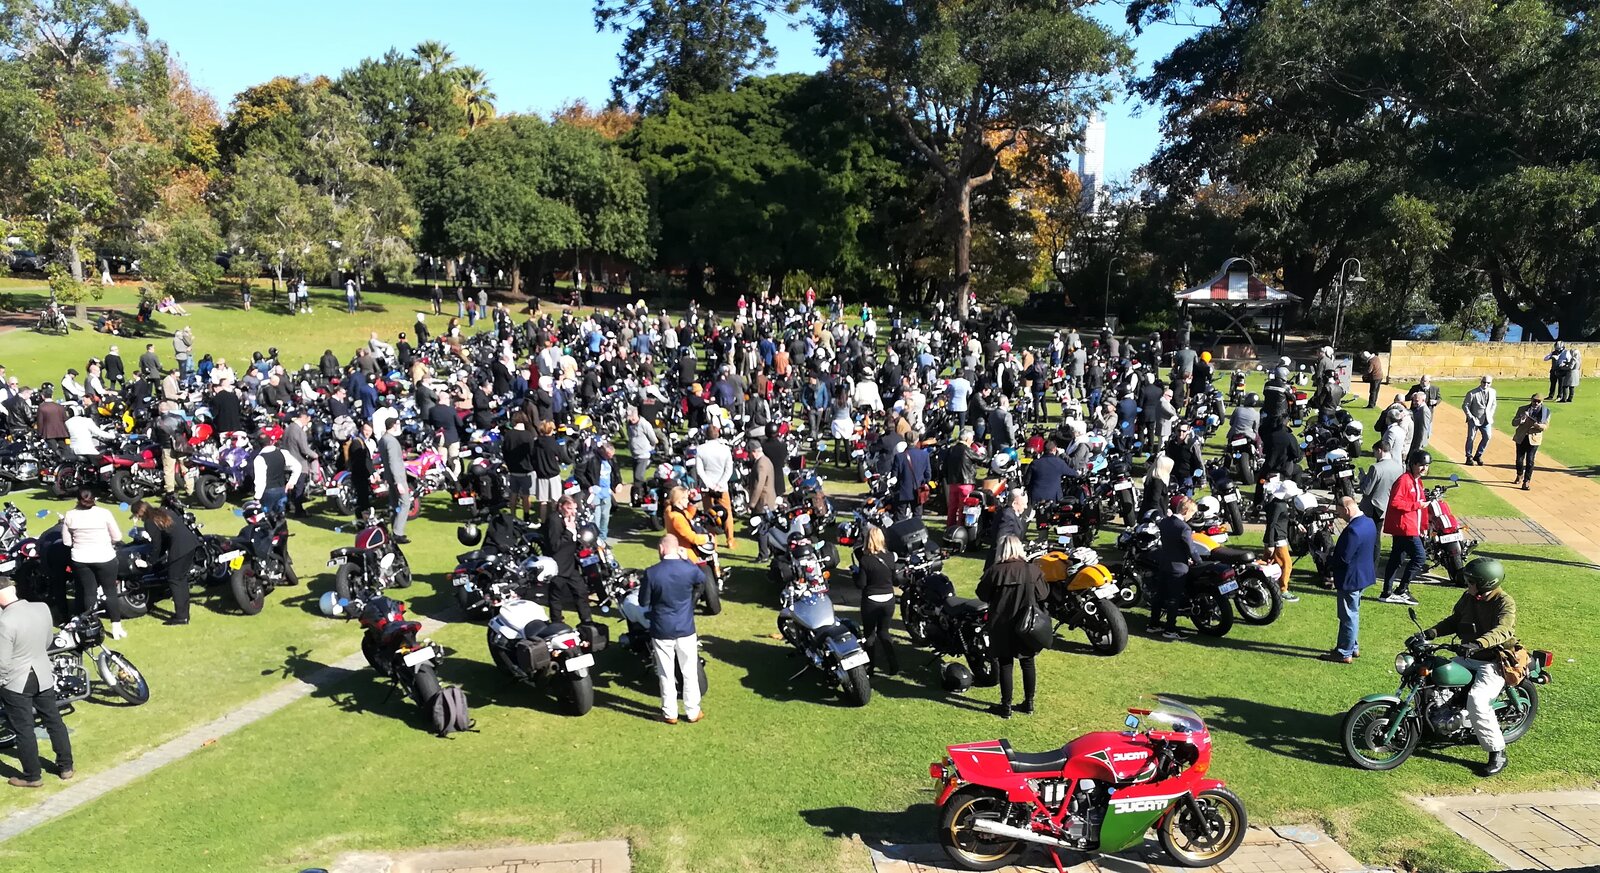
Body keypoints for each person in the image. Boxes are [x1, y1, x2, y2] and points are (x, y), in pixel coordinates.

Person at [1409, 558, 1519, 776]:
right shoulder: (1469, 597)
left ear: (1486, 583)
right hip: (1467, 655)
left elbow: (1503, 630)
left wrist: (1478, 643)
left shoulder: (1505, 602)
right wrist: (1430, 633)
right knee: (1432, 676)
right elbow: (1455, 620)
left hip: (1492, 661)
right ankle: (1431, 725)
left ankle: (1497, 752)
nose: (1467, 584)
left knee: (1477, 700)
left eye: (1471, 581)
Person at [0, 582, 73, 787]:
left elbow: (2, 662)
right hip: (43, 674)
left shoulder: (5, 622)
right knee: (54, 721)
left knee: (24, 729)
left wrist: (2, 681)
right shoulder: (41, 608)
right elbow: (48, 640)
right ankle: (66, 766)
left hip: (17, 681)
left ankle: (32, 776)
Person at [975, 535, 1047, 718]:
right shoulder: (1032, 570)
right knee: (1028, 662)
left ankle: (1006, 706)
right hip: (1027, 623)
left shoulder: (995, 571)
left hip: (1001, 623)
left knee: (1005, 664)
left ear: (1002, 550)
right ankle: (1029, 703)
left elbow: (982, 594)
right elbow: (1043, 594)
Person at [640, 534, 703, 725]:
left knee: (666, 673)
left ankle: (670, 713)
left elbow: (643, 601)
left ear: (661, 548)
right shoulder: (688, 570)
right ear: (677, 548)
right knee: (689, 671)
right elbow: (701, 577)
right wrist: (688, 559)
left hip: (662, 629)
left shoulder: (652, 573)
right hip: (686, 628)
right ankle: (693, 711)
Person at [61, 490, 125, 639]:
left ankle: (92, 625)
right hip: (104, 557)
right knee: (110, 591)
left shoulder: (70, 515)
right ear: (94, 498)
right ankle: (116, 627)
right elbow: (117, 536)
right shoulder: (104, 513)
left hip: (81, 558)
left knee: (89, 592)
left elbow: (67, 542)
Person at [1326, 496, 1377, 663]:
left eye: (1340, 513)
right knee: (1353, 613)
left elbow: (1343, 558)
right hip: (1363, 576)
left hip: (1350, 579)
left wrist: (1327, 559)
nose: (1340, 516)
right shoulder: (1369, 523)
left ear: (1346, 509)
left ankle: (1344, 652)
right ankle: (1352, 647)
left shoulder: (1353, 530)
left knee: (1348, 616)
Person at [131, 501, 198, 626]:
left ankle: (181, 617)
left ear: (139, 514)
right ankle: (183, 614)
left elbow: (157, 545)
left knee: (174, 580)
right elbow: (165, 538)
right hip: (190, 544)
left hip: (180, 549)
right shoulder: (163, 511)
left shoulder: (149, 522)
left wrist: (149, 562)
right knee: (181, 580)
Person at [1151, 496, 1207, 640]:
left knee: (1159, 596)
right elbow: (1191, 549)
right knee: (1173, 599)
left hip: (1164, 564)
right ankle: (1170, 629)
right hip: (1178, 568)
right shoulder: (1184, 528)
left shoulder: (1165, 522)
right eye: (1192, 513)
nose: (1192, 516)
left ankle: (1153, 624)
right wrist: (1199, 562)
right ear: (1186, 511)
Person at [1379, 449, 1431, 605]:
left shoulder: (1417, 481)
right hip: (1405, 528)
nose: (1424, 468)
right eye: (1421, 465)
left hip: (1408, 527)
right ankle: (1402, 589)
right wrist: (1417, 505)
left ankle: (1387, 592)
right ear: (1413, 464)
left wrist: (1423, 526)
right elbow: (1395, 502)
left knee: (1396, 559)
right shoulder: (1404, 480)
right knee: (1420, 557)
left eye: (1426, 465)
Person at [853, 525, 898, 676]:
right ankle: (893, 665)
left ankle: (870, 667)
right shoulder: (890, 557)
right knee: (884, 632)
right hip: (888, 600)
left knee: (869, 635)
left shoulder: (865, 560)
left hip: (871, 601)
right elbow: (895, 580)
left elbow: (861, 584)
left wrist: (855, 574)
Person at [542, 496, 591, 624]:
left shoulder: (571, 519)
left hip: (570, 564)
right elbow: (554, 546)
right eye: (569, 508)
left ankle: (586, 621)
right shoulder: (554, 520)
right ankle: (557, 622)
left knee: (581, 592)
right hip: (557, 566)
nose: (573, 512)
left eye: (574, 508)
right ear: (560, 507)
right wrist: (569, 531)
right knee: (556, 596)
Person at [1359, 441, 1403, 571]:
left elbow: (1366, 490)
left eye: (1374, 452)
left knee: (1369, 537)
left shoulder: (1376, 468)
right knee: (1376, 537)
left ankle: (1369, 565)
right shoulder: (1399, 467)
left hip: (1372, 508)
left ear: (1379, 450)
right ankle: (1373, 566)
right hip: (1386, 507)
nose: (1374, 455)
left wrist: (1362, 478)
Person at [694, 425, 736, 549]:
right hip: (721, 486)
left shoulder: (700, 449)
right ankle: (730, 540)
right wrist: (720, 484)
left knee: (709, 514)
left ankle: (712, 540)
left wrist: (710, 484)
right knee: (727, 512)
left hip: (707, 487)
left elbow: (700, 471)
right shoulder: (725, 449)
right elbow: (728, 470)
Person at [1262, 480, 1298, 603]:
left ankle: (1260, 582)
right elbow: (1271, 524)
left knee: (1266, 563)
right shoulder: (1279, 505)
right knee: (1286, 565)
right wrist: (1271, 544)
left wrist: (1296, 523)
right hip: (1277, 540)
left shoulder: (1278, 503)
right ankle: (1283, 590)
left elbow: (1282, 519)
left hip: (1276, 539)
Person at [377, 416, 411, 543]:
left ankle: (394, 530)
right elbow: (393, 462)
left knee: (394, 504)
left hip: (389, 476)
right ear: (393, 425)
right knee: (405, 503)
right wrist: (398, 482)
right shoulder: (390, 441)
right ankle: (398, 532)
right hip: (397, 477)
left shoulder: (383, 439)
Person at [942, 428, 983, 527]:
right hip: (966, 483)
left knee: (952, 508)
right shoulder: (967, 450)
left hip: (953, 483)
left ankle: (950, 527)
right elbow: (980, 459)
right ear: (967, 439)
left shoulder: (951, 449)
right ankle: (960, 527)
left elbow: (945, 466)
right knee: (964, 507)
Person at [1511, 394, 1550, 490]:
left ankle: (1526, 481)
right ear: (1531, 400)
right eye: (1534, 401)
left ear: (1542, 402)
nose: (1536, 403)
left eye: (1538, 401)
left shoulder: (1545, 411)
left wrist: (1538, 425)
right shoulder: (1522, 409)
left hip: (1534, 439)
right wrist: (1521, 420)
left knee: (1530, 460)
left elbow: (1545, 426)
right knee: (1519, 460)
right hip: (1521, 437)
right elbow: (1514, 423)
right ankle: (1519, 474)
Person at [532, 420, 565, 525]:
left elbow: (532, 458)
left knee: (543, 501)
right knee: (555, 501)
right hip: (553, 475)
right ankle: (555, 522)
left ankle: (543, 522)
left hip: (541, 475)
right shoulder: (553, 443)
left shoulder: (536, 443)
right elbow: (562, 456)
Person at [1462, 376, 1498, 466]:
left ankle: (1478, 455)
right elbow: (1465, 406)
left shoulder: (1493, 392)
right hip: (1474, 419)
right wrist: (1470, 417)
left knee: (1487, 436)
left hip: (1486, 419)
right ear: (1481, 382)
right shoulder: (1472, 393)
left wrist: (1490, 414)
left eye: (1488, 383)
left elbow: (1494, 404)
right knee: (1471, 438)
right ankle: (1469, 457)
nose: (1486, 384)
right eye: (1484, 382)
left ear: (1491, 383)